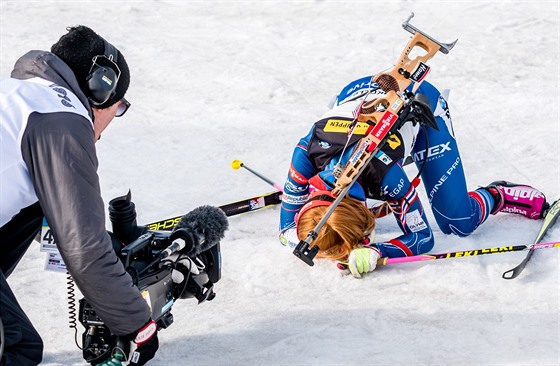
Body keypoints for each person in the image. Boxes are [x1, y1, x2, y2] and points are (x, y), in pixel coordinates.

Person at [279, 73, 549, 278]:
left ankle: (498, 195)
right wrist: (304, 238)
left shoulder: (387, 178)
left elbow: (422, 236)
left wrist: (378, 250)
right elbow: (286, 231)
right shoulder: (305, 154)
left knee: (458, 222)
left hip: (419, 102)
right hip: (359, 94)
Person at [0, 26, 157, 365]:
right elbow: (84, 249)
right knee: (16, 347)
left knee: (36, 202)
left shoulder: (19, 98)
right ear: (101, 90)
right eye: (118, 107)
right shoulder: (63, 119)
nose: (113, 119)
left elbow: (68, 226)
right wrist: (138, 325)